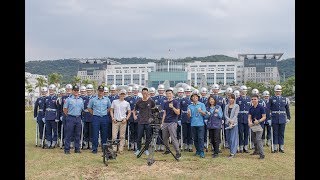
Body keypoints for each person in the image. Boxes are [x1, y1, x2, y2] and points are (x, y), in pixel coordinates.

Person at [87, 85, 112, 154]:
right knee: (95, 134)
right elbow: (89, 108)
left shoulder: (107, 99)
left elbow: (109, 107)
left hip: (104, 118)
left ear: (103, 92)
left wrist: (105, 113)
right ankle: (94, 149)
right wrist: (94, 113)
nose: (101, 92)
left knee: (104, 134)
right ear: (97, 91)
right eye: (99, 91)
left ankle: (104, 149)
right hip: (96, 118)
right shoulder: (93, 99)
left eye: (102, 91)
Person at [133, 87, 155, 156]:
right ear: (142, 93)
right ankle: (138, 149)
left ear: (148, 93)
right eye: (143, 93)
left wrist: (152, 118)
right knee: (139, 136)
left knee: (148, 137)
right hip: (140, 121)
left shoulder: (151, 101)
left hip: (148, 122)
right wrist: (134, 115)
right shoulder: (139, 101)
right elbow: (134, 110)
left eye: (146, 93)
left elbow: (154, 110)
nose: (145, 94)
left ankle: (146, 149)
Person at [63, 85, 84, 154]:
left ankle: (77, 149)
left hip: (78, 118)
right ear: (72, 91)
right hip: (70, 117)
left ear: (78, 91)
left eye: (77, 90)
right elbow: (65, 109)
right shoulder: (68, 99)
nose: (76, 92)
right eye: (74, 90)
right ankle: (67, 149)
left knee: (78, 134)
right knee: (68, 134)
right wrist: (69, 115)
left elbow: (82, 109)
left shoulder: (81, 100)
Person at [269, 85, 291, 153]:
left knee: (281, 133)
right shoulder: (271, 99)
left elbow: (287, 109)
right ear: (275, 92)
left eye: (279, 91)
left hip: (282, 118)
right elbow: (268, 109)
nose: (278, 92)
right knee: (275, 133)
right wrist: (269, 118)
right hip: (274, 118)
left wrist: (288, 117)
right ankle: (275, 147)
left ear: (281, 92)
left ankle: (281, 147)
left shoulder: (285, 99)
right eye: (277, 91)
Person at [161, 89, 181, 159]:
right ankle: (167, 150)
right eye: (167, 94)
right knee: (164, 137)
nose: (168, 95)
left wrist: (173, 107)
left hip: (172, 122)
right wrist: (162, 123)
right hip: (166, 122)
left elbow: (178, 112)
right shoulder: (166, 103)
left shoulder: (176, 102)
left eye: (170, 93)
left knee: (173, 137)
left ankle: (178, 152)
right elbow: (164, 113)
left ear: (172, 94)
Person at [110, 89, 131, 154]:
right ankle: (114, 149)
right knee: (114, 136)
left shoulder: (127, 103)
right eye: (121, 94)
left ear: (125, 95)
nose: (122, 95)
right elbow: (111, 110)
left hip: (123, 121)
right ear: (119, 94)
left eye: (123, 94)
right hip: (115, 121)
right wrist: (113, 118)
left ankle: (121, 149)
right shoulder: (114, 101)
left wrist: (126, 119)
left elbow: (129, 112)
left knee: (122, 136)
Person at [187, 91, 207, 158]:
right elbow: (189, 116)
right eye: (193, 97)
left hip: (200, 124)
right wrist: (188, 113)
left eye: (196, 97)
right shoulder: (190, 106)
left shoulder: (202, 104)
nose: (195, 98)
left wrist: (201, 111)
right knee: (195, 138)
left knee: (200, 138)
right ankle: (197, 150)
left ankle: (202, 151)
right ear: (191, 98)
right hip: (193, 124)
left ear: (198, 98)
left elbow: (205, 114)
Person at [248, 94, 266, 159]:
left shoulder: (261, 107)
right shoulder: (251, 108)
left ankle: (262, 154)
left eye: (255, 99)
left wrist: (258, 121)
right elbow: (249, 117)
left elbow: (264, 117)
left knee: (258, 139)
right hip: (253, 126)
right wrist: (249, 122)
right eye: (252, 99)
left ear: (258, 99)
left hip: (259, 126)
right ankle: (256, 151)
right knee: (254, 139)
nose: (253, 100)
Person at [43, 84, 60, 148]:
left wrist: (57, 117)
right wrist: (43, 117)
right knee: (48, 130)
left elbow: (58, 109)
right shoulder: (46, 98)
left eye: (52, 90)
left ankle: (54, 142)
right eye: (50, 90)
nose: (51, 91)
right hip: (47, 116)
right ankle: (48, 142)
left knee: (55, 130)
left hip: (54, 117)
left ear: (54, 90)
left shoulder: (57, 98)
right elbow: (44, 108)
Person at [236, 85, 251, 153]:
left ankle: (246, 146)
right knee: (240, 133)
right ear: (240, 92)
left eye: (245, 91)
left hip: (247, 118)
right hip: (240, 118)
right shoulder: (237, 99)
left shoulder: (249, 99)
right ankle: (241, 146)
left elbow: (251, 109)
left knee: (246, 133)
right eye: (242, 91)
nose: (243, 92)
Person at [224, 94, 239, 158]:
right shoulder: (226, 106)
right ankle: (231, 151)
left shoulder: (236, 106)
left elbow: (236, 115)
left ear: (234, 99)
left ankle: (233, 152)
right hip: (228, 123)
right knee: (228, 138)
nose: (231, 99)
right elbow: (225, 115)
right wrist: (229, 121)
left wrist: (232, 122)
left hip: (234, 124)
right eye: (230, 98)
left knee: (233, 138)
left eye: (232, 98)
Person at [154, 84, 167, 151]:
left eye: (162, 90)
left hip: (164, 117)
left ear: (164, 91)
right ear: (158, 90)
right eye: (159, 90)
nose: (161, 91)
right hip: (157, 117)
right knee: (157, 131)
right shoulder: (155, 98)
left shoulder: (166, 98)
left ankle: (162, 145)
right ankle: (158, 144)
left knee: (163, 132)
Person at [180, 86, 193, 152]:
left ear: (191, 92)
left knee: (190, 133)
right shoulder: (182, 100)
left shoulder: (193, 100)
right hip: (184, 118)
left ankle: (190, 145)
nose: (188, 92)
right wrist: (179, 119)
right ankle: (185, 144)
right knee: (184, 133)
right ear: (185, 92)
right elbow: (180, 110)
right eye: (186, 91)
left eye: (189, 91)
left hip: (191, 119)